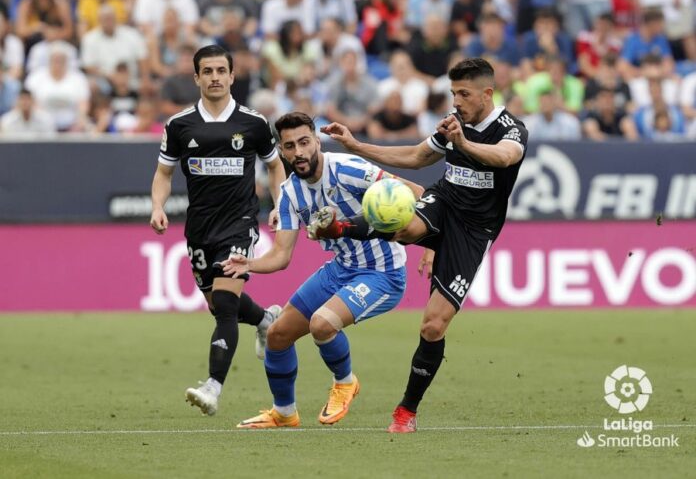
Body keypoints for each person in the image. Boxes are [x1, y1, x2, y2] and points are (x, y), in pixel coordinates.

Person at [316, 58, 528, 433]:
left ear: (487, 93)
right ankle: (340, 227)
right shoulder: (453, 123)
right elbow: (416, 157)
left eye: (464, 94)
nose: (457, 101)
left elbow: (506, 157)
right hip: (444, 202)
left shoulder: (511, 129)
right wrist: (356, 145)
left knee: (433, 325)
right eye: (453, 93)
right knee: (406, 227)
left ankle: (406, 412)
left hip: (474, 231)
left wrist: (464, 142)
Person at [221, 112, 424, 428]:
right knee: (277, 334)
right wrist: (249, 264)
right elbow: (281, 255)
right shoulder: (289, 193)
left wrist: (432, 244)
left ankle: (345, 382)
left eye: (304, 142)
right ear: (282, 151)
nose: (298, 152)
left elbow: (415, 193)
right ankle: (284, 413)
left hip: (382, 272)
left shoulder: (348, 169)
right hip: (340, 269)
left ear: (316, 141)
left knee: (322, 324)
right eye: (290, 146)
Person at [149, 45, 287, 416]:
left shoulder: (254, 123)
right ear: (196, 77)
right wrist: (158, 206)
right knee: (217, 305)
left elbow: (275, 168)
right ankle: (265, 318)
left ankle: (213, 387)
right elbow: (164, 173)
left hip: (240, 225)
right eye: (206, 71)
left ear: (231, 75)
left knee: (225, 305)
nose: (214, 77)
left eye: (220, 70)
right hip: (199, 228)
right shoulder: (179, 125)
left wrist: (279, 205)